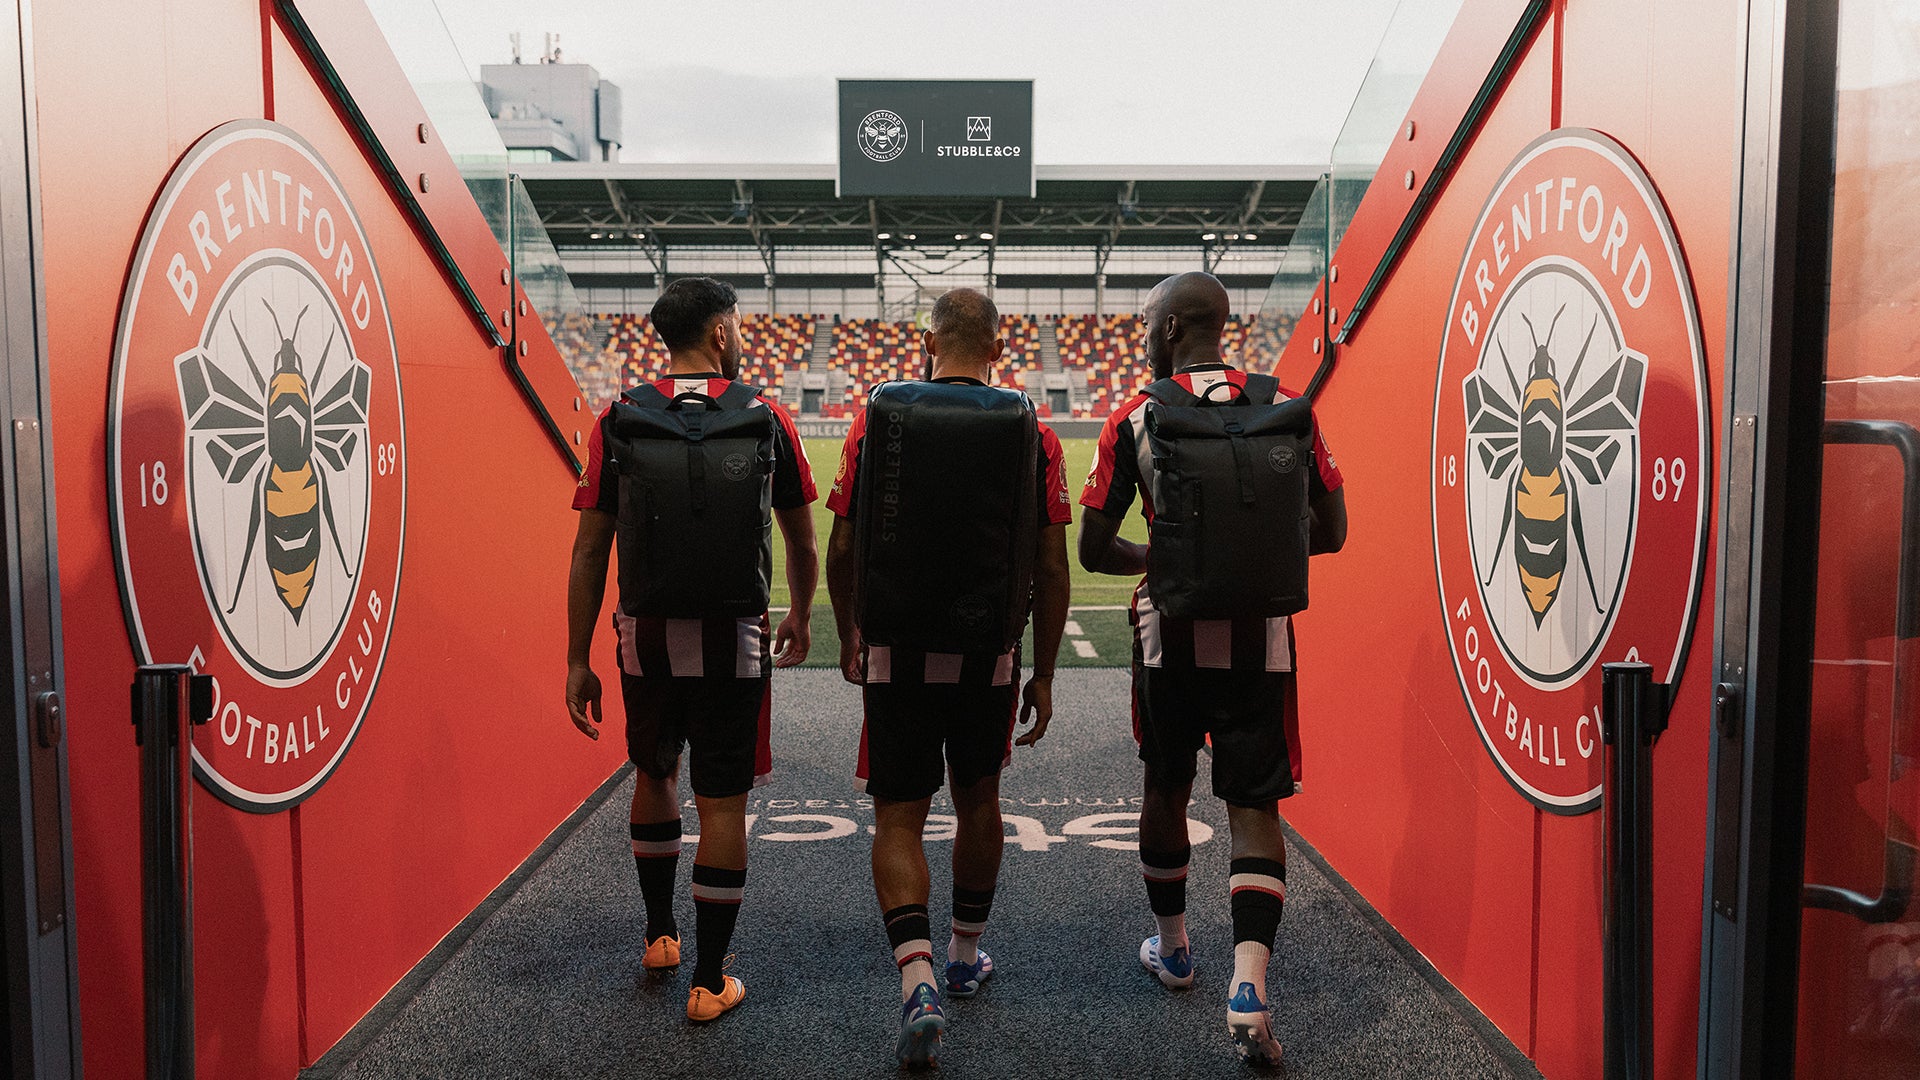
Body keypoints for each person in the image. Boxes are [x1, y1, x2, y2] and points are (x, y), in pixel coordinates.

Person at [1078, 271, 1347, 1066]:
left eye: (1145, 323)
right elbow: (1331, 531)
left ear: (1167, 331)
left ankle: (1174, 949)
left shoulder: (1136, 413)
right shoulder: (1286, 401)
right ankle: (1251, 985)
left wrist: (1163, 561)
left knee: (1165, 785)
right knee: (1254, 803)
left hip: (1168, 634)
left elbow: (1094, 549)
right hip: (1261, 636)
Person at [824, 287, 1072, 1068]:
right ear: (998, 347)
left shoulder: (876, 415)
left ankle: (918, 978)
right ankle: (965, 955)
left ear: (925, 344)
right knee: (979, 799)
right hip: (988, 654)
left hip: (896, 647)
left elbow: (841, 541)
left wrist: (851, 628)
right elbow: (1050, 563)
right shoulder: (1034, 427)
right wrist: (1044, 670)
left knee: (899, 814)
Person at [564, 277, 819, 1024]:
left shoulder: (618, 417)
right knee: (723, 803)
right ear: (718, 333)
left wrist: (577, 656)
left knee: (653, 770)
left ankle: (659, 937)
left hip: (643, 634)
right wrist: (801, 613)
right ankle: (710, 981)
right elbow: (802, 538)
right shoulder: (767, 415)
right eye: (736, 325)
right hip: (734, 637)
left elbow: (588, 551)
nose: (741, 337)